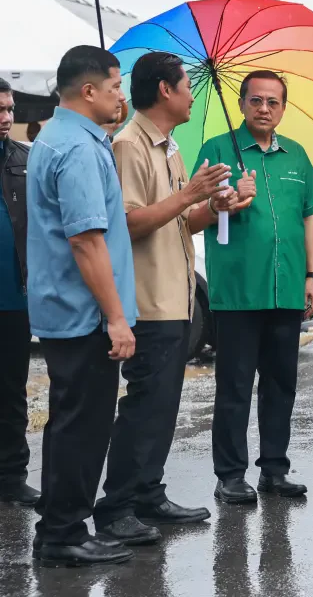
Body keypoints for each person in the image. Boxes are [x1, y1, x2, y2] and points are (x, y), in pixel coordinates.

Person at [93, 53, 235, 544]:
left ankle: (148, 492)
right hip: (147, 301)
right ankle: (115, 507)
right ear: (164, 91)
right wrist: (189, 194)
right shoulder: (128, 146)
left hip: (178, 299)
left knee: (164, 405)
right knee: (143, 405)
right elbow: (128, 223)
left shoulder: (170, 148)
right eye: (186, 86)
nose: (193, 95)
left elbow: (178, 220)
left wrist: (212, 205)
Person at [194, 70, 313, 504]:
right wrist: (225, 198)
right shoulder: (217, 150)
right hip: (237, 292)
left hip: (286, 289)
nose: (265, 109)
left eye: (273, 102)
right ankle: (230, 475)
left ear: (283, 108)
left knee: (281, 384)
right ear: (242, 104)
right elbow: (192, 211)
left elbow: (310, 216)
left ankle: (274, 469)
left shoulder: (297, 156)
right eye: (256, 100)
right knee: (233, 386)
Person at [26, 46, 137, 566]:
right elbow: (87, 241)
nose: (122, 96)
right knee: (83, 423)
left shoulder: (61, 137)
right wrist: (116, 317)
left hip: (65, 309)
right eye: (116, 86)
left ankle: (62, 524)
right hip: (83, 314)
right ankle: (63, 534)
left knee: (71, 420)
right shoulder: (78, 148)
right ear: (89, 91)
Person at [0, 77, 38, 507]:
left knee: (12, 391)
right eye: (0, 111)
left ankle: (11, 477)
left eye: (10, 109)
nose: (7, 118)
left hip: (14, 297)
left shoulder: (24, 160)